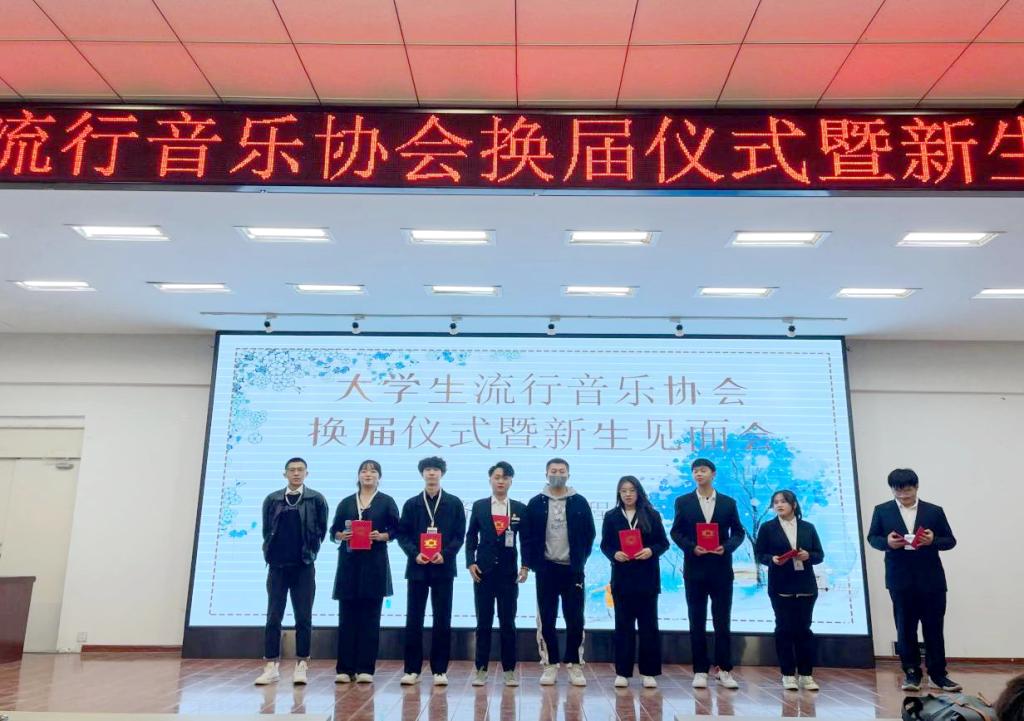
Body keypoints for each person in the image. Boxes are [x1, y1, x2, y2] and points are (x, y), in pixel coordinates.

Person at [867, 468, 960, 692]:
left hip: (931, 579)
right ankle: (911, 673)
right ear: (892, 489)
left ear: (916, 487)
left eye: (907, 490)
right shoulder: (882, 510)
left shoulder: (934, 511)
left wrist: (933, 540)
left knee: (934, 628)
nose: (903, 495)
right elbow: (872, 538)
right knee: (905, 628)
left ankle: (938, 674)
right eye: (897, 490)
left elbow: (950, 541)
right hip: (900, 579)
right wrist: (887, 543)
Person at [670, 458, 745, 689]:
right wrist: (692, 547)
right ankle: (700, 670)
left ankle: (724, 669)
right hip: (695, 569)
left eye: (702, 470)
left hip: (721, 569)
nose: (698, 474)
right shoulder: (683, 502)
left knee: (722, 621)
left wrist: (727, 547)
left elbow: (739, 532)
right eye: (695, 471)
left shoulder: (728, 503)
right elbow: (676, 532)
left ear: (713, 473)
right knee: (697, 620)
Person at [254, 457, 329, 686]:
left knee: (303, 617)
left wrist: (310, 552)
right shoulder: (273, 499)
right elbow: (267, 530)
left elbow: (321, 531)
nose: (296, 473)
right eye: (292, 470)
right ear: (284, 474)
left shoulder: (316, 499)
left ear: (307, 473)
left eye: (300, 470)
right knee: (273, 616)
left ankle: (302, 664)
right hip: (277, 567)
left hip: (303, 567)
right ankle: (271, 666)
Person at [522, 457, 596, 687]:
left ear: (568, 475)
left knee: (575, 618)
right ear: (546, 474)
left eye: (561, 471)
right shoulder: (536, 503)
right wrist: (530, 564)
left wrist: (579, 560)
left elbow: (590, 534)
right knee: (547, 618)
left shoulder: (579, 502)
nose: (557, 474)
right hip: (546, 569)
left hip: (572, 570)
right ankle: (550, 663)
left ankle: (575, 663)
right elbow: (527, 537)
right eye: (553, 471)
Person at [396, 456, 466, 686]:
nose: (432, 473)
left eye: (435, 469)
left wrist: (445, 554)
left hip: (443, 568)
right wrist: (414, 553)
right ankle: (411, 669)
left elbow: (459, 536)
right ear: (422, 474)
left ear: (442, 473)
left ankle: (439, 670)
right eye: (427, 469)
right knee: (414, 618)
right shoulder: (411, 504)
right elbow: (402, 535)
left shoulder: (454, 503)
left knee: (442, 618)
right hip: (417, 568)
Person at [329, 459, 400, 684]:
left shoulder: (386, 501)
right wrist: (340, 535)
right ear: (358, 476)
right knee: (347, 618)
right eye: (364, 471)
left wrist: (383, 536)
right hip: (349, 565)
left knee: (370, 618)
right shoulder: (346, 502)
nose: (368, 474)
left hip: (374, 565)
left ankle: (365, 668)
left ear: (379, 477)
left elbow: (397, 529)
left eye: (373, 471)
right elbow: (333, 530)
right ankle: (345, 668)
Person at [599, 475, 670, 689]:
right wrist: (614, 554)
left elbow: (663, 543)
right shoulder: (611, 516)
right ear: (618, 494)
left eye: (631, 490)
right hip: (622, 579)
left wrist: (651, 550)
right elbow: (605, 545)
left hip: (647, 578)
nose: (628, 494)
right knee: (623, 626)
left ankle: (649, 672)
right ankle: (623, 672)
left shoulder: (651, 514)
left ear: (638, 492)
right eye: (623, 491)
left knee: (649, 626)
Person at [465, 461, 529, 687]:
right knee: (483, 623)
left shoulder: (519, 508)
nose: (501, 481)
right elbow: (471, 536)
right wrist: (470, 563)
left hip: (508, 575)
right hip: (483, 573)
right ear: (490, 480)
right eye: (497, 477)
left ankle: (509, 670)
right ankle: (481, 669)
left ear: (511, 481)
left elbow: (527, 540)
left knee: (508, 623)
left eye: (505, 477)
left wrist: (525, 566)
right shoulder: (480, 506)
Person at [754, 489, 825, 691]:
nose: (779, 505)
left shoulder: (808, 527)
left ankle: (806, 675)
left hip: (805, 585)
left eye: (783, 501)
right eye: (775, 502)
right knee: (784, 629)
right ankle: (787, 674)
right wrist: (772, 559)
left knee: (804, 630)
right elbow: (760, 554)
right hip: (781, 584)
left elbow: (819, 555)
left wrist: (807, 556)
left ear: (793, 505)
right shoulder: (768, 528)